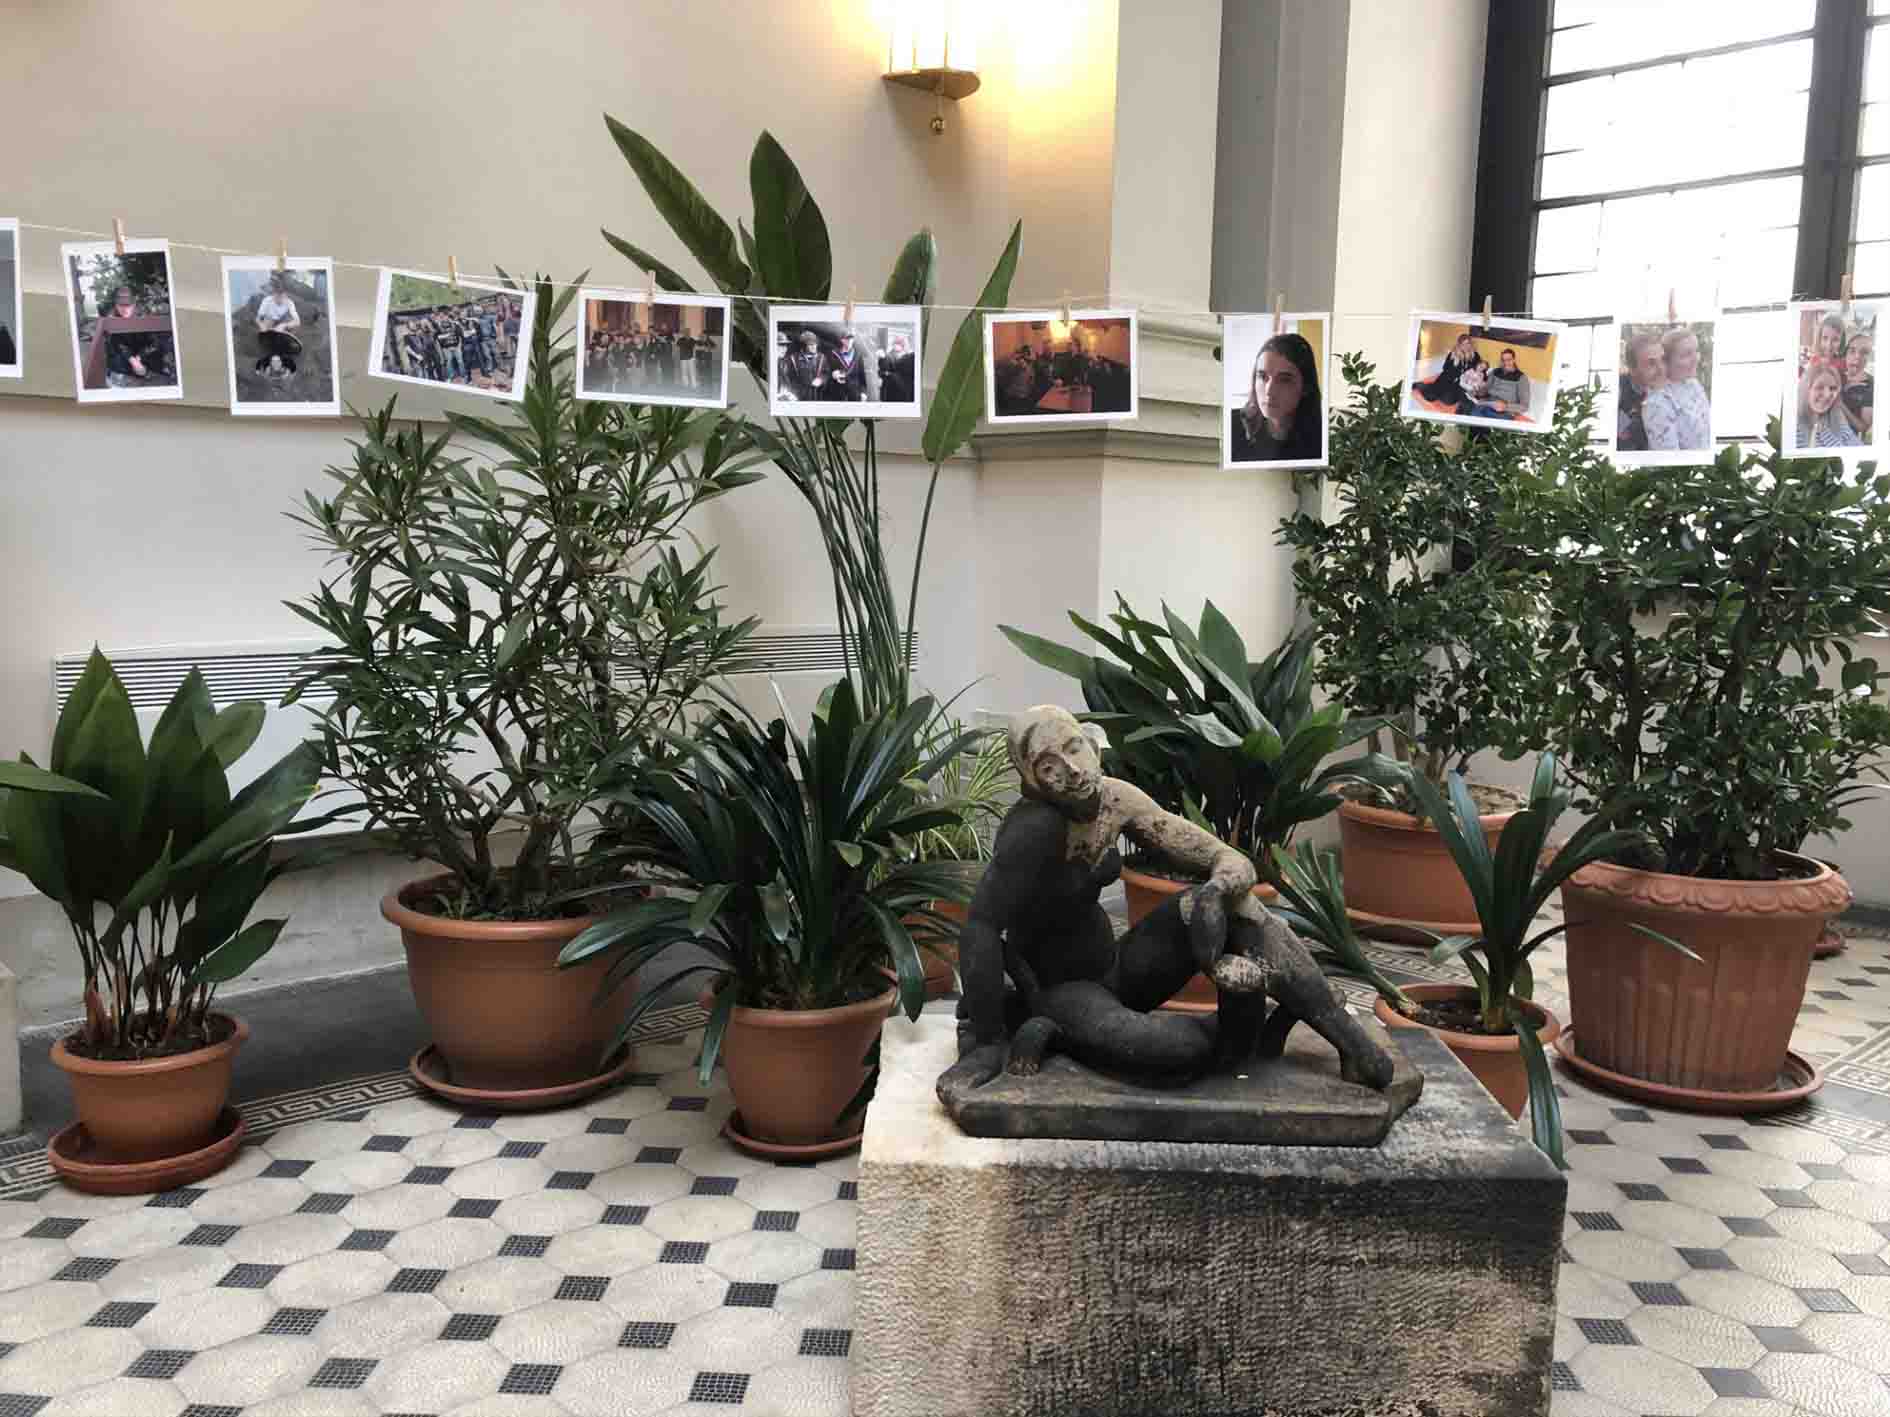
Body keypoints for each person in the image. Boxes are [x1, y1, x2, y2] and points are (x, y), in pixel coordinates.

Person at [934, 704, 1393, 1100]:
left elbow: (1221, 857)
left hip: (1118, 966)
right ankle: (1240, 1027)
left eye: (1074, 748)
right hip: (1065, 991)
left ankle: (1341, 1032)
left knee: (1237, 907)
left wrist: (1217, 890)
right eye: (1049, 766)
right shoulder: (1034, 830)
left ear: (1092, 744)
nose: (1071, 770)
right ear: (1033, 782)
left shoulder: (1115, 798)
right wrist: (987, 1042)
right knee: (1176, 1051)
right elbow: (980, 926)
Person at [1230, 332, 1322, 462]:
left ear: (1306, 387)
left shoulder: (1320, 441)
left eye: (1284, 380)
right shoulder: (1231, 426)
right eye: (1262, 376)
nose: (1269, 391)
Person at [1642, 325, 1711, 452]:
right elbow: (1669, 458)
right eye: (1686, 355)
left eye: (1696, 351)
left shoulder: (1694, 384)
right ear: (1667, 361)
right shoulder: (1657, 404)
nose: (1696, 359)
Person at [100, 284, 172, 386]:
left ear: (133, 304)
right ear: (116, 305)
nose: (124, 309)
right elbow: (117, 343)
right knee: (112, 358)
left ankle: (146, 372)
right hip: (126, 353)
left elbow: (154, 342)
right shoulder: (112, 318)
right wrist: (132, 360)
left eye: (128, 305)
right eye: (121, 305)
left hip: (143, 350)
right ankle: (133, 374)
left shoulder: (144, 314)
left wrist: (139, 357)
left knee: (158, 354)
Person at [1411, 330, 1481, 412]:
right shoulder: (1453, 354)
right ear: (1459, 344)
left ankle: (1456, 401)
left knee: (1448, 401)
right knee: (1430, 397)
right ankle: (1421, 385)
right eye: (1463, 344)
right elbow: (1445, 368)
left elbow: (1477, 370)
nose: (1466, 346)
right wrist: (1456, 367)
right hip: (1446, 380)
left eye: (1468, 343)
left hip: (1461, 384)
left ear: (1470, 344)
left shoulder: (1475, 356)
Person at [1617, 330, 1664, 452]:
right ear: (1632, 369)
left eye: (1663, 359)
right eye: (1651, 363)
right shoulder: (1619, 393)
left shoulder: (1672, 388)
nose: (1661, 369)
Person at [1796, 361, 1860, 450]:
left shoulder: (1836, 416)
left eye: (1833, 388)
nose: (1827, 395)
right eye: (1819, 387)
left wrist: (1823, 430)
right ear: (1806, 389)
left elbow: (1856, 445)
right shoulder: (1794, 426)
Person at [1469, 347, 1531, 422]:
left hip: (1505, 411)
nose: (1506, 363)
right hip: (1488, 403)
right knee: (1474, 413)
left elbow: (1524, 406)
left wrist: (1506, 406)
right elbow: (1486, 388)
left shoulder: (1521, 378)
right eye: (1503, 360)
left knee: (1487, 420)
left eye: (1509, 360)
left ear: (1514, 360)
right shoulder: (1495, 372)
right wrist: (1477, 392)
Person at [1840, 328, 1874, 440]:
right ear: (1846, 354)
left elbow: (1863, 427)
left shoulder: (1871, 386)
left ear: (1868, 357)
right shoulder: (1836, 376)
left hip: (1849, 441)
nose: (1857, 356)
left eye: (1864, 352)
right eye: (1852, 351)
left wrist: (1841, 405)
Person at [779, 328, 826, 401]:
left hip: (817, 396)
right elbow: (787, 378)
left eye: (815, 344)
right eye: (810, 344)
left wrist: (821, 379)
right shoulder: (793, 359)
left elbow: (826, 373)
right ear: (804, 346)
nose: (814, 347)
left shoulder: (821, 358)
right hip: (799, 396)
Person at [824, 328, 870, 402]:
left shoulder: (858, 355)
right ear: (842, 340)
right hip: (838, 394)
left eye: (851, 338)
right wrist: (832, 375)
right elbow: (826, 373)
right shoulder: (833, 354)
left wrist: (864, 392)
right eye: (847, 338)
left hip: (854, 394)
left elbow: (862, 375)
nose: (849, 341)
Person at [879, 331, 916, 404]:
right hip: (890, 390)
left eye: (899, 344)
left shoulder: (906, 357)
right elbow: (882, 372)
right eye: (895, 344)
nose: (896, 346)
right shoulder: (888, 356)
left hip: (899, 391)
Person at [434, 309, 465, 382]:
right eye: (441, 317)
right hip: (446, 348)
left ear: (447, 316)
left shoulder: (454, 324)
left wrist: (459, 345)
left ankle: (463, 376)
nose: (443, 318)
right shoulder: (439, 326)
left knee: (460, 361)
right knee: (449, 363)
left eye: (444, 316)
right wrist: (445, 336)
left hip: (456, 346)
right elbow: (436, 337)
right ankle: (451, 376)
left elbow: (460, 334)